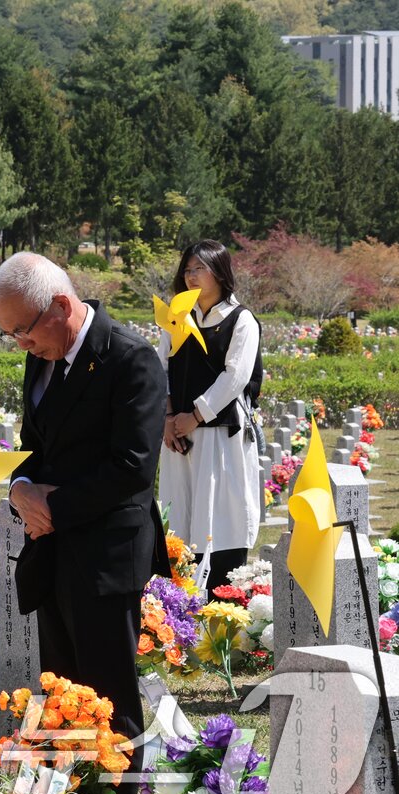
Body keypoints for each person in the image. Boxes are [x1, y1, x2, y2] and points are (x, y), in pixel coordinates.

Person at [0, 252, 168, 794]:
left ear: (62, 306)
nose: (19, 344)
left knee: (109, 702)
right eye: (8, 333)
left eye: (23, 329)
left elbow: (132, 468)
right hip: (55, 551)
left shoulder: (130, 359)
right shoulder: (42, 358)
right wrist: (20, 489)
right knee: (62, 695)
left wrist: (53, 507)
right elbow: (33, 445)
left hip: (105, 557)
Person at [158, 240, 262, 593]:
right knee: (180, 518)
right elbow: (161, 370)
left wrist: (196, 415)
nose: (190, 276)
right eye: (187, 269)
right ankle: (178, 604)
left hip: (220, 436)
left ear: (219, 271)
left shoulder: (240, 320)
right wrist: (169, 418)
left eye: (198, 268)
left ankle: (222, 597)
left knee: (219, 516)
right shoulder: (176, 318)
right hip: (178, 437)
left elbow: (236, 376)